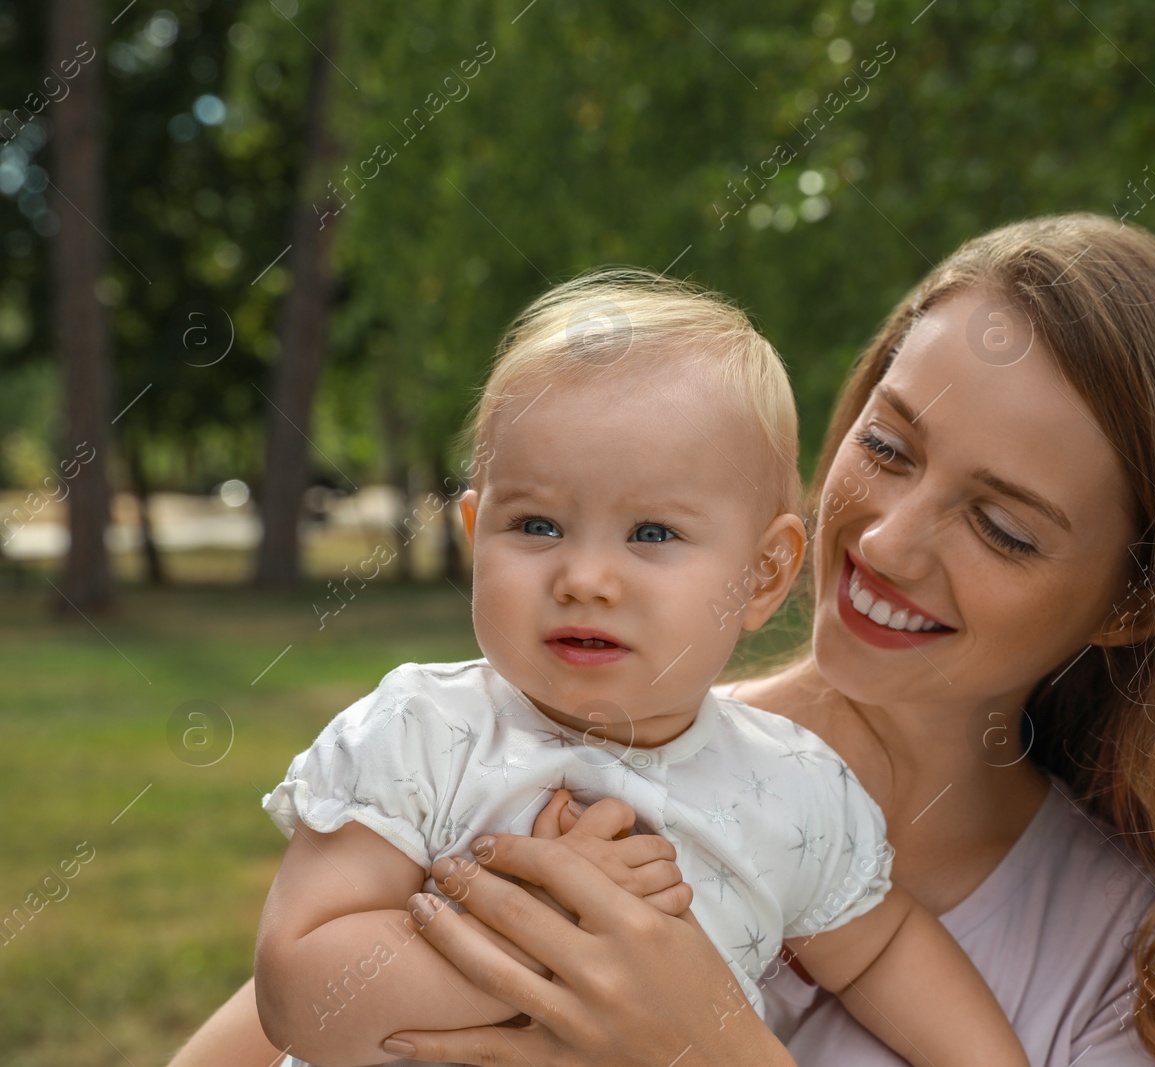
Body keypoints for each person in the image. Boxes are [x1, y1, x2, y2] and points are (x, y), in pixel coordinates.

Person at [169, 213, 1155, 1067]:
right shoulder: (533, 746)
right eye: (888, 447)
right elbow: (280, 1011)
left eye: (1003, 526)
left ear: (1135, 598)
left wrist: (701, 1043)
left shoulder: (1133, 962)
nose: (889, 541)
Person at [250, 271, 1032, 1067]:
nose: (585, 576)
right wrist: (540, 929)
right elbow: (294, 990)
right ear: (476, 532)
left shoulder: (791, 790)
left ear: (763, 575)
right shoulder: (424, 732)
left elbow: (883, 947)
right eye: (538, 524)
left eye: (653, 533)